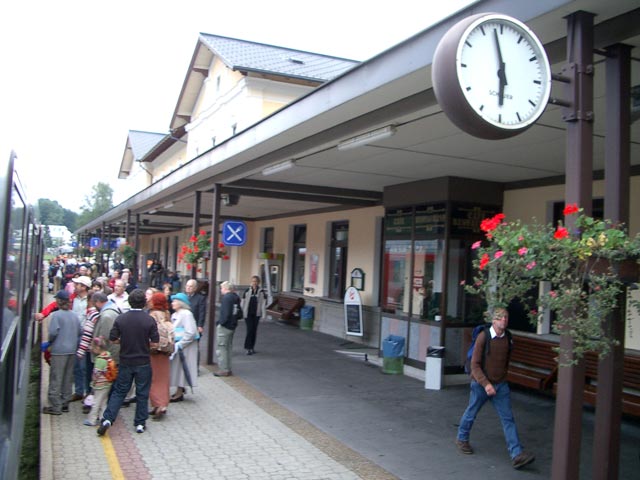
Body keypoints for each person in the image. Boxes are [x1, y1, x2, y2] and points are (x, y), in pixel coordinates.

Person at [456, 307, 535, 470]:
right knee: (471, 412)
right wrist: (486, 384)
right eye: (500, 318)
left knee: (508, 419)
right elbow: (475, 365)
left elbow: (505, 361)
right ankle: (462, 438)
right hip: (480, 384)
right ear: (493, 320)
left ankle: (517, 454)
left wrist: (500, 381)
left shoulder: (508, 338)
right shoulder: (483, 337)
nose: (504, 320)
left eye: (506, 317)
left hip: (500, 385)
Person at [97, 289, 159, 436]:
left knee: (119, 391)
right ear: (144, 303)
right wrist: (145, 344)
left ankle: (107, 419)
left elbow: (112, 338)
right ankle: (139, 423)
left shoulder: (121, 318)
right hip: (143, 361)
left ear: (129, 302)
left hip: (125, 360)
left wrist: (124, 342)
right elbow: (155, 343)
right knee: (142, 393)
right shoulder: (149, 320)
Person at [42, 290, 82, 415]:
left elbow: (53, 333)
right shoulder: (75, 315)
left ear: (59, 301)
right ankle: (65, 403)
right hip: (72, 351)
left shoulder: (56, 316)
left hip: (59, 351)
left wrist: (50, 343)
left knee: (56, 378)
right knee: (67, 378)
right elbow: (80, 331)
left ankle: (56, 406)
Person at [169, 292, 198, 402]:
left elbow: (190, 332)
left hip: (185, 347)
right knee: (178, 369)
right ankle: (179, 389)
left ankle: (180, 391)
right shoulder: (176, 314)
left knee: (182, 369)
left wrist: (180, 344)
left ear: (181, 303)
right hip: (179, 346)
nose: (172, 303)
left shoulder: (186, 314)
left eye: (175, 301)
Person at [148, 292, 174, 418]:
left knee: (153, 378)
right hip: (165, 351)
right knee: (163, 379)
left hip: (153, 350)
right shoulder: (167, 314)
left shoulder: (152, 315)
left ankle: (157, 405)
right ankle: (162, 404)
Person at [84, 336, 114, 426]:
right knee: (104, 402)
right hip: (108, 383)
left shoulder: (100, 359)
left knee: (96, 402)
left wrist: (93, 382)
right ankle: (103, 418)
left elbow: (96, 373)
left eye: (93, 348)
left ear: (97, 348)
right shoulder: (108, 356)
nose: (92, 350)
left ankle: (92, 420)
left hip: (100, 384)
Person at [214, 281, 241, 377]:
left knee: (221, 347)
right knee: (228, 347)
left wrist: (220, 323)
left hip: (225, 326)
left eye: (221, 288)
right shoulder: (236, 297)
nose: (221, 290)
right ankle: (228, 368)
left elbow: (225, 313)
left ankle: (223, 369)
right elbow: (239, 313)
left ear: (225, 288)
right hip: (232, 325)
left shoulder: (226, 298)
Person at [241, 275, 268, 355]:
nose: (254, 283)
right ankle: (247, 348)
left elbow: (263, 304)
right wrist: (242, 312)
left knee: (254, 331)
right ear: (251, 282)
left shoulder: (261, 292)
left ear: (258, 282)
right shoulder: (247, 291)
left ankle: (252, 347)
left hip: (256, 314)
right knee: (249, 330)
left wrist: (263, 315)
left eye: (256, 281)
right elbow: (243, 302)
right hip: (248, 314)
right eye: (253, 281)